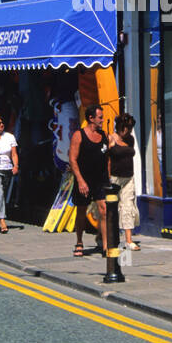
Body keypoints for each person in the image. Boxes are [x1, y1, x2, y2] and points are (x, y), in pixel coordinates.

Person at [69, 104, 109, 257]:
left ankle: (105, 245)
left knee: (104, 210)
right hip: (84, 179)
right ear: (91, 118)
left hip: (101, 179)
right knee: (81, 211)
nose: (102, 120)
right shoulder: (79, 135)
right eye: (100, 117)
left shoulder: (104, 135)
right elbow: (72, 160)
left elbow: (108, 158)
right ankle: (79, 242)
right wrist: (80, 180)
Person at [108, 112, 140, 250]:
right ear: (122, 127)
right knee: (111, 209)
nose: (130, 131)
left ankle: (128, 240)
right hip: (114, 178)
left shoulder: (130, 140)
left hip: (128, 177)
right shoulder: (110, 138)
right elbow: (107, 159)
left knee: (128, 206)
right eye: (128, 128)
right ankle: (103, 236)